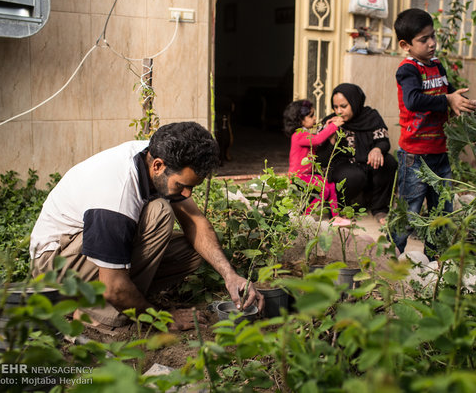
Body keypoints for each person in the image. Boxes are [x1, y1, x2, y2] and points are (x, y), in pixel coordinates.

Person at [29, 122, 264, 331]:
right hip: (54, 271)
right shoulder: (115, 193)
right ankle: (96, 313)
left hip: (84, 257)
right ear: (158, 166)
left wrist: (230, 275)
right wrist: (162, 318)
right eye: (182, 185)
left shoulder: (156, 154)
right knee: (159, 212)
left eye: (192, 187)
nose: (187, 194)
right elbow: (112, 286)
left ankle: (118, 296)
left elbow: (196, 223)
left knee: (193, 251)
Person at [392, 8, 476, 255]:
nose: (432, 43)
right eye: (423, 39)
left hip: (440, 154)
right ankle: (392, 257)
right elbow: (413, 100)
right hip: (415, 157)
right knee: (408, 211)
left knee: (442, 212)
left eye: (433, 36)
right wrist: (447, 100)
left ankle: (433, 260)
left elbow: (450, 94)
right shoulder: (408, 69)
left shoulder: (437, 66)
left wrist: (467, 105)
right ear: (406, 45)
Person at [316, 83, 396, 224]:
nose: (339, 111)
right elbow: (322, 158)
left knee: (388, 162)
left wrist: (377, 149)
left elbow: (383, 140)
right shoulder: (330, 122)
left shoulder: (371, 116)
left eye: (344, 106)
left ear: (355, 102)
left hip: (367, 162)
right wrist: (331, 135)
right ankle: (340, 209)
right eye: (335, 107)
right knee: (353, 175)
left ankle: (379, 208)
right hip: (343, 165)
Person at [284, 99, 351, 226]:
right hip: (298, 176)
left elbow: (319, 134)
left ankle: (335, 216)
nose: (314, 118)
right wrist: (333, 126)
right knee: (324, 189)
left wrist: (328, 125)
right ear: (300, 120)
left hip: (307, 175)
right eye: (310, 116)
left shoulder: (305, 132)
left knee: (330, 185)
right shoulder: (298, 135)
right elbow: (318, 139)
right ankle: (305, 216)